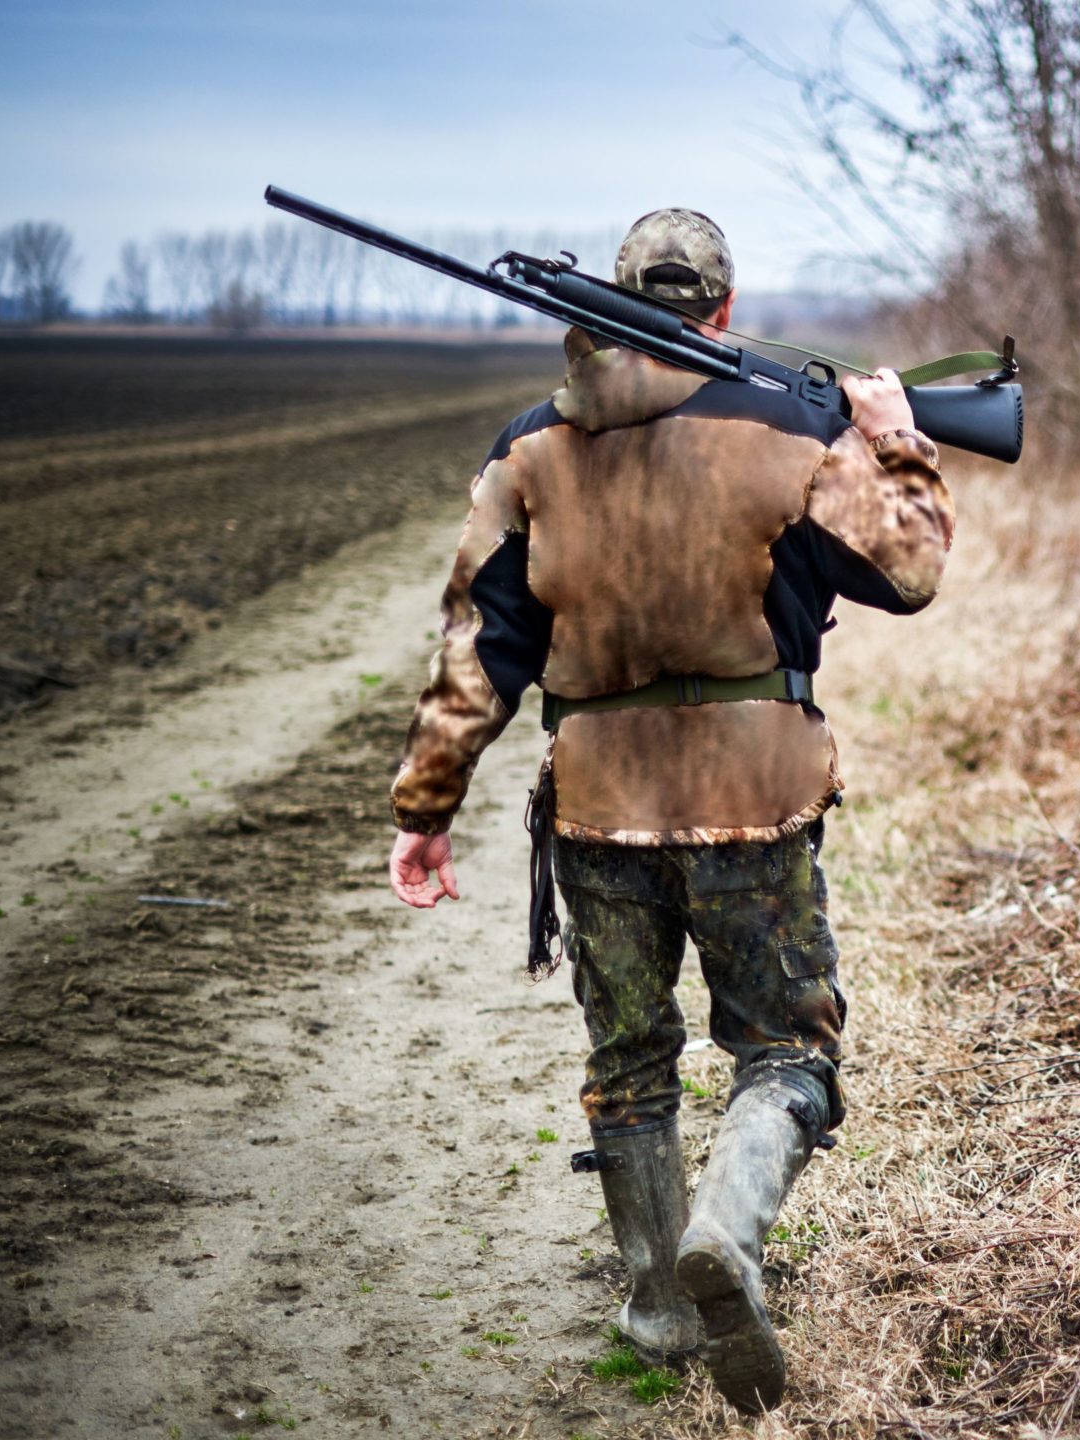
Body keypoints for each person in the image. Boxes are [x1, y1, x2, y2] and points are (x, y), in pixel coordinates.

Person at [381, 207, 953, 1414]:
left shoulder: (528, 448)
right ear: (726, 311)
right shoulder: (794, 426)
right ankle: (726, 1239)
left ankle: (655, 1300)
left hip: (599, 805)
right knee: (785, 1049)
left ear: (608, 300)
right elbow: (909, 572)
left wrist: (427, 801)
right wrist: (897, 444)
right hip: (759, 794)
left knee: (628, 1062)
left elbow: (476, 646)